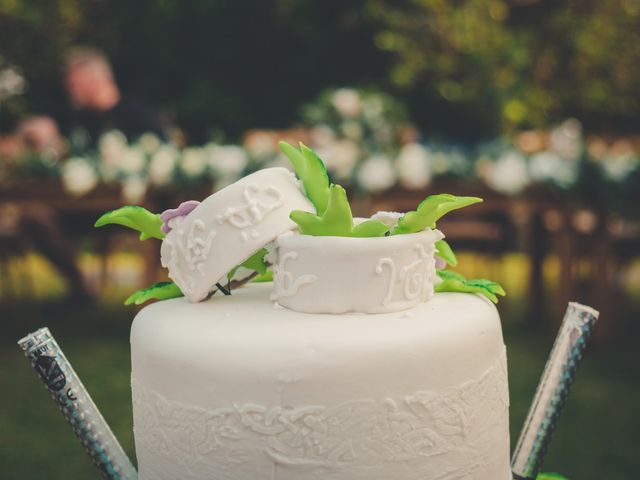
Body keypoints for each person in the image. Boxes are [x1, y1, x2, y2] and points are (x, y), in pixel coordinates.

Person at [61, 47, 167, 146]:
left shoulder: (137, 116)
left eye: (75, 85)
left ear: (94, 81)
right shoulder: (80, 121)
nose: (70, 92)